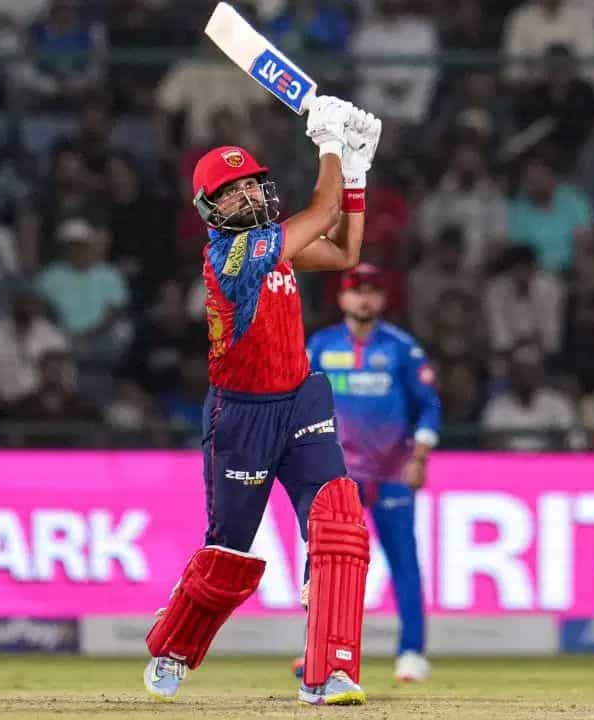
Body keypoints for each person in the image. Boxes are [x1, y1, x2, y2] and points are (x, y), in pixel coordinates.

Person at [142, 97, 382, 706]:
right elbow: (323, 212)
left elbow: (345, 252)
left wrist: (355, 174)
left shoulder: (274, 241)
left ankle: (330, 671)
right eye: (232, 191)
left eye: (251, 183)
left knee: (338, 523)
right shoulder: (234, 257)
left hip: (299, 400)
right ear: (210, 209)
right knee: (228, 552)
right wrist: (331, 144)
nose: (247, 194)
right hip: (241, 416)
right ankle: (174, 644)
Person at [299, 263, 442, 683]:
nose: (364, 298)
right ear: (341, 298)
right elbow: (299, 401)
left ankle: (412, 652)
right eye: (356, 290)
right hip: (338, 474)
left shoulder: (402, 349)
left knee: (404, 562)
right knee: (326, 563)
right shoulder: (320, 346)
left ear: (382, 298)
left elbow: (429, 405)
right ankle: (317, 650)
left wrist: (419, 457)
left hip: (392, 472)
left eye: (372, 291)